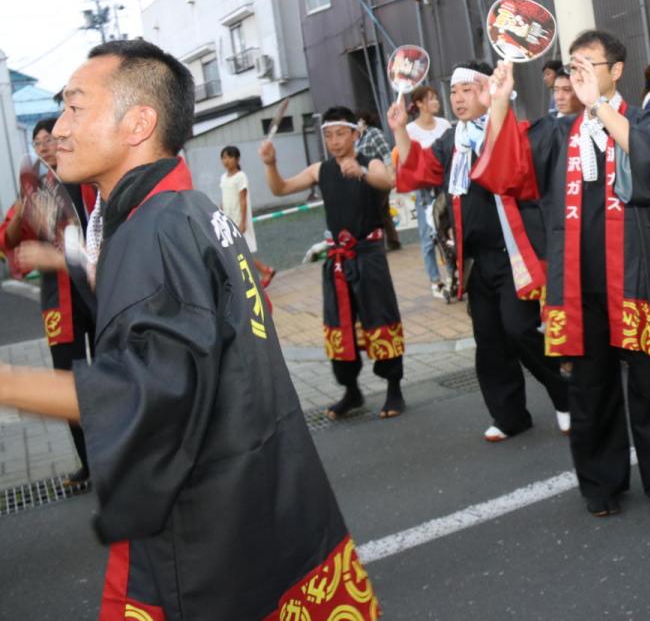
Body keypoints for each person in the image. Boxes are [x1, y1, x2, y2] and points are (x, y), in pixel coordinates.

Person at [0, 40, 379, 618]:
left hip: (206, 535)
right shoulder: (191, 210)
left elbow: (138, 392)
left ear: (139, 123)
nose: (58, 131)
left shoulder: (155, 229)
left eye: (76, 109)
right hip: (265, 496)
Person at [476, 31, 650, 518]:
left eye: (589, 65)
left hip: (635, 280)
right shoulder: (557, 133)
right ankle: (601, 485)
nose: (578, 76)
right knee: (590, 390)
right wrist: (501, 103)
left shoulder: (648, 119)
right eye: (573, 67)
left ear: (615, 71)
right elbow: (505, 173)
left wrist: (601, 110)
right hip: (576, 286)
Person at [392, 62, 569, 442]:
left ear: (490, 91)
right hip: (474, 258)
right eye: (454, 92)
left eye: (468, 90)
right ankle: (509, 416)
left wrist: (500, 108)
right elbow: (420, 171)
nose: (458, 99)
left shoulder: (512, 131)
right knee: (489, 340)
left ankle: (565, 394)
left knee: (520, 329)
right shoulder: (451, 140)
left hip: (512, 254)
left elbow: (511, 172)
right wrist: (398, 131)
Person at [261, 105, 406, 420]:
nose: (335, 140)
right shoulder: (320, 170)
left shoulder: (371, 162)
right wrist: (271, 164)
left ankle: (394, 388)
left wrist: (363, 172)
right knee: (339, 325)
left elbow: (389, 181)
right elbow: (281, 188)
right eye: (328, 135)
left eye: (341, 133)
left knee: (380, 318)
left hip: (369, 256)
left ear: (355, 133)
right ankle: (351, 391)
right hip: (337, 260)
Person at [1, 117, 95, 488]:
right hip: (60, 300)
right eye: (39, 142)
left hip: (98, 288)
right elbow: (8, 240)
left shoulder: (89, 180)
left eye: (50, 139)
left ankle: (121, 457)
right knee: (68, 381)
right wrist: (24, 210)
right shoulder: (34, 191)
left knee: (114, 371)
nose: (45, 146)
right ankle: (89, 465)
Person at [405, 86, 453, 297]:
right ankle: (435, 281)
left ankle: (453, 276)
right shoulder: (409, 130)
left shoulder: (444, 125)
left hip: (446, 186)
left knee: (448, 233)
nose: (436, 101)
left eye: (435, 97)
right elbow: (407, 160)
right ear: (419, 104)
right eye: (431, 98)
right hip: (424, 190)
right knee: (428, 238)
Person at [218, 145, 275, 287]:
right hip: (228, 219)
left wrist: (243, 222)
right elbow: (224, 198)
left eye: (229, 157)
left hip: (239, 219)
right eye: (224, 157)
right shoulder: (223, 177)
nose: (226, 161)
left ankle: (264, 272)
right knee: (237, 251)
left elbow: (243, 199)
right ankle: (263, 272)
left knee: (241, 251)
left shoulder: (241, 176)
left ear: (237, 159)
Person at [357, 109, 401, 250]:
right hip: (367, 181)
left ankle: (380, 243)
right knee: (383, 212)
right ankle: (393, 242)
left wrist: (391, 175)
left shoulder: (374, 134)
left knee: (376, 211)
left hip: (380, 176)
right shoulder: (360, 138)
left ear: (362, 121)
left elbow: (386, 154)